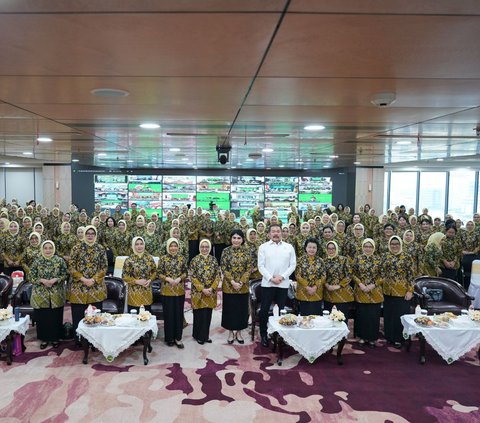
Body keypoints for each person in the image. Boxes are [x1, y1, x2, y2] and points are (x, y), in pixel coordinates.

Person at [257, 224, 297, 347]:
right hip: (268, 284)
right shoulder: (263, 247)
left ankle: (281, 335)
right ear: (269, 234)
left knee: (281, 310)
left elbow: (292, 265)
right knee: (264, 311)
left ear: (282, 233)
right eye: (273, 231)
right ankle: (264, 335)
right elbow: (261, 266)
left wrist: (282, 277)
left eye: (278, 231)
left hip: (283, 284)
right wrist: (271, 278)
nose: (276, 233)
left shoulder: (289, 247)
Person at [68, 225, 108, 333]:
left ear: (95, 235)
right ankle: (79, 339)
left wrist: (94, 279)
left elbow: (104, 267)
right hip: (78, 287)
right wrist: (83, 279)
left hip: (96, 287)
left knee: (96, 316)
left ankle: (94, 341)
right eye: (88, 233)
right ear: (84, 235)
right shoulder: (76, 248)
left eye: (92, 233)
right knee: (78, 315)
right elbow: (71, 267)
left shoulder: (100, 248)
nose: (90, 236)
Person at [30, 240, 68, 349]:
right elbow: (31, 277)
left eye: (50, 248)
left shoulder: (59, 260)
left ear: (54, 249)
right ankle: (44, 339)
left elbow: (65, 274)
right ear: (42, 249)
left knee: (55, 316)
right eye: (45, 248)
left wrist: (57, 279)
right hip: (40, 295)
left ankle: (55, 338)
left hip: (56, 294)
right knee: (43, 317)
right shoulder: (37, 261)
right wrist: (41, 280)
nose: (48, 250)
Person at [381, 236, 414, 348]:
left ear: (400, 244)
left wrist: (410, 291)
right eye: (392, 244)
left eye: (397, 244)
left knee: (400, 315)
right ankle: (389, 337)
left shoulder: (407, 257)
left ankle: (399, 339)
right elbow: (381, 273)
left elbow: (411, 276)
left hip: (401, 291)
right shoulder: (385, 256)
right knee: (389, 314)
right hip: (387, 291)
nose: (394, 246)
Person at [220, 230, 252, 344]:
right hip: (229, 286)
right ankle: (230, 332)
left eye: (239, 238)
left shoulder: (247, 252)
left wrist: (241, 282)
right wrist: (233, 282)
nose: (236, 240)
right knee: (230, 309)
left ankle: (238, 332)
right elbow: (223, 267)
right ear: (230, 239)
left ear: (243, 239)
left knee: (241, 310)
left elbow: (249, 269)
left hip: (242, 287)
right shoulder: (226, 251)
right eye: (234, 238)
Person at [352, 239, 383, 347]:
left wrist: (373, 285)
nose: (368, 248)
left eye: (370, 246)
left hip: (375, 291)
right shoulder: (358, 258)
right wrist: (360, 284)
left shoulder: (378, 259)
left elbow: (382, 275)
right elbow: (353, 273)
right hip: (361, 290)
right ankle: (361, 337)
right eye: (366, 246)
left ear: (373, 248)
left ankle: (372, 338)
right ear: (362, 247)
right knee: (362, 314)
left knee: (373, 315)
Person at [158, 238, 188, 348]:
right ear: (168, 247)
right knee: (168, 315)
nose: (173, 248)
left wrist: (180, 278)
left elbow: (186, 272)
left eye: (175, 246)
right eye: (171, 246)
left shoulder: (182, 258)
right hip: (166, 291)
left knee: (178, 314)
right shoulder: (163, 259)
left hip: (179, 290)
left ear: (178, 247)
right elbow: (159, 273)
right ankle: (169, 338)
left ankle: (178, 338)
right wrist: (167, 279)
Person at [189, 239, 221, 344]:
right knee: (199, 314)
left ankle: (205, 335)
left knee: (207, 314)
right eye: (202, 246)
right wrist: (202, 289)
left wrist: (211, 288)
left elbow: (217, 276)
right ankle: (198, 335)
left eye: (206, 247)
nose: (204, 249)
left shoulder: (214, 260)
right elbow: (192, 277)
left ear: (210, 248)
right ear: (199, 247)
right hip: (198, 292)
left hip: (210, 292)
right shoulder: (194, 260)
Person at [122, 237, 156, 312]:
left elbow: (155, 272)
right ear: (133, 246)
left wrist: (150, 280)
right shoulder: (129, 259)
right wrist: (136, 281)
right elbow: (124, 276)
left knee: (146, 317)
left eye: (141, 244)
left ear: (144, 245)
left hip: (146, 292)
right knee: (134, 319)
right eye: (137, 244)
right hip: (134, 293)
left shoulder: (149, 258)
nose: (139, 246)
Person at [295, 237, 326, 316]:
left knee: (316, 318)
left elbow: (323, 276)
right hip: (303, 292)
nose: (311, 249)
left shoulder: (320, 261)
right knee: (304, 318)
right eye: (309, 247)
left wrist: (315, 287)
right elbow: (297, 275)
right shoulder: (300, 260)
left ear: (317, 249)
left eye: (314, 247)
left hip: (317, 292)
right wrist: (307, 287)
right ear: (306, 248)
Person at [323, 240, 353, 320]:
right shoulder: (323, 261)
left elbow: (349, 275)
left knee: (341, 320)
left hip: (342, 294)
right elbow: (321, 276)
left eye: (333, 248)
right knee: (328, 319)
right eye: (329, 248)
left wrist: (339, 286)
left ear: (336, 249)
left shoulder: (343, 260)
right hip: (328, 294)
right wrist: (327, 285)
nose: (331, 250)